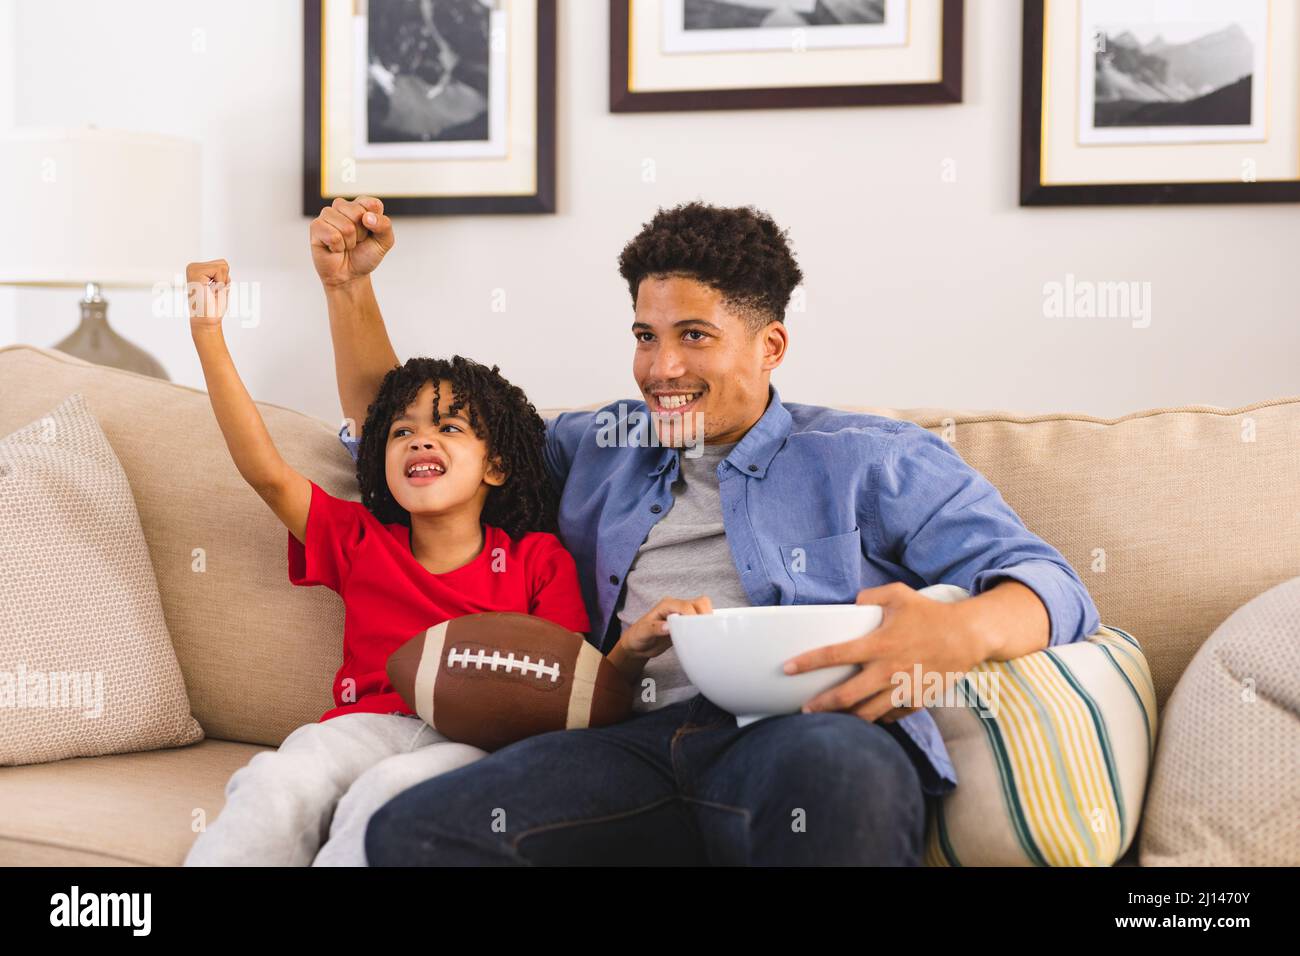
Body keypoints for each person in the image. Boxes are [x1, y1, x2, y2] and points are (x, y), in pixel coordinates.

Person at [309, 197, 1102, 865]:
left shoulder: (870, 459)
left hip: (798, 736)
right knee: (415, 831)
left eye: (694, 335)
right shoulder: (596, 447)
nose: (661, 370)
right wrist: (349, 290)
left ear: (770, 346)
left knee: (840, 775)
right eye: (645, 336)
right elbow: (419, 435)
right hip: (627, 744)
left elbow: (1050, 584)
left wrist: (957, 634)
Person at [180, 258, 601, 865]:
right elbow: (267, 475)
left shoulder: (538, 559)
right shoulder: (360, 540)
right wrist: (207, 333)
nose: (421, 440)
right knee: (276, 781)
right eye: (401, 432)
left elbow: (562, 686)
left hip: (476, 745)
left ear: (496, 465)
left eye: (449, 427)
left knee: (386, 796)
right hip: (364, 725)